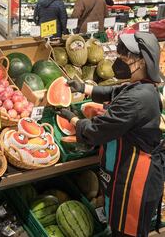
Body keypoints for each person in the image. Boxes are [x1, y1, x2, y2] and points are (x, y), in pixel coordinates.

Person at [58, 32, 164, 237]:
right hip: (128, 171)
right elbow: (116, 91)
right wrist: (85, 87)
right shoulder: (143, 85)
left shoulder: (137, 99)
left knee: (125, 232)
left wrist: (73, 119)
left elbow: (96, 132)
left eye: (125, 59)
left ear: (141, 62)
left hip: (135, 180)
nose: (119, 62)